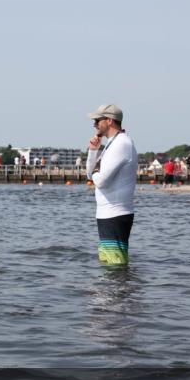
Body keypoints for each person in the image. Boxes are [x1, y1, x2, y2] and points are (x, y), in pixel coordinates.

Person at [85, 104, 137, 265]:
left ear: (109, 121)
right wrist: (93, 151)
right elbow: (89, 175)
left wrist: (95, 173)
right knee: (109, 266)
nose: (94, 124)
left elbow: (100, 181)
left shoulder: (121, 144)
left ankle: (123, 291)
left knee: (116, 268)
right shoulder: (112, 143)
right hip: (107, 213)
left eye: (97, 120)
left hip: (115, 213)